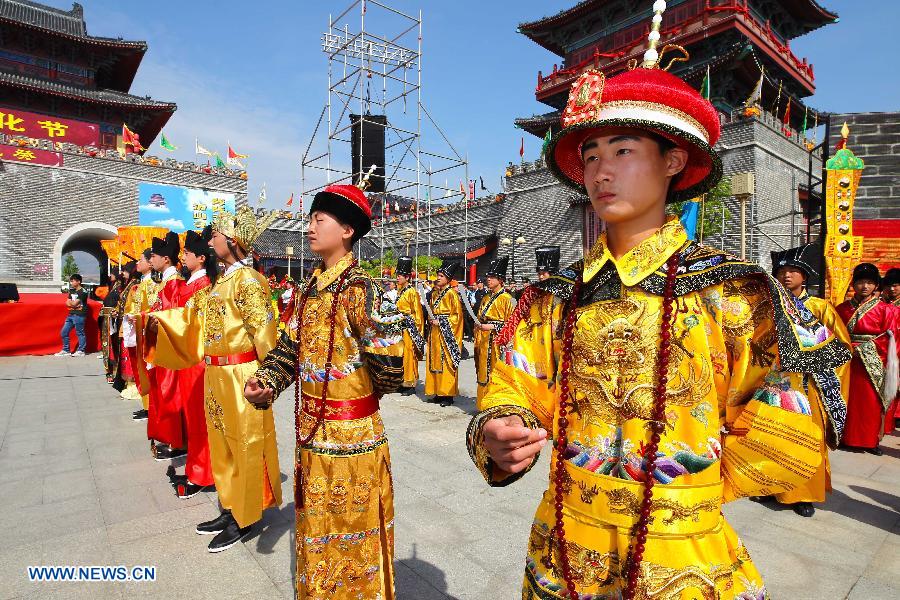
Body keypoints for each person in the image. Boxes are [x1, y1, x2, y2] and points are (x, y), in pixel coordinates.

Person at [465, 30, 850, 599]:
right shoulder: (554, 296)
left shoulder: (733, 292)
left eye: (622, 151)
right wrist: (500, 426)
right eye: (590, 156)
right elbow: (514, 383)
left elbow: (799, 405)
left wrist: (692, 487)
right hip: (561, 548)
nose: (600, 172)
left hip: (679, 557)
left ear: (674, 160)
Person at [245, 182, 404, 599]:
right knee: (317, 526)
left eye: (320, 220)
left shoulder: (361, 290)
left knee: (354, 531)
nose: (310, 228)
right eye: (311, 220)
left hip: (354, 438)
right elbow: (289, 348)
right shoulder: (308, 291)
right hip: (313, 434)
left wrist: (357, 400)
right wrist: (267, 382)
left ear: (347, 230)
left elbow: (391, 364)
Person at [144, 206, 282, 552]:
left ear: (233, 240)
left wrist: (269, 379)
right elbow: (191, 318)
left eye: (217, 234)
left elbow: (264, 333)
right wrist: (157, 323)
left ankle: (246, 515)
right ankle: (230, 505)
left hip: (242, 374)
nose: (212, 239)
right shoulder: (221, 282)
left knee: (245, 443)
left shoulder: (249, 281)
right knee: (222, 443)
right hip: (216, 373)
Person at [762, 245, 851, 516]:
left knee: (807, 438)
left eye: (793, 271)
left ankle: (803, 494)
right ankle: (772, 486)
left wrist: (825, 379)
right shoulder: (769, 305)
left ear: (805, 275)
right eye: (781, 271)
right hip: (776, 381)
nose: (786, 276)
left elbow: (841, 349)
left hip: (809, 384)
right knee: (775, 435)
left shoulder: (819, 308)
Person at [169, 226, 217, 498]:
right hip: (186, 358)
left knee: (201, 420)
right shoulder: (190, 285)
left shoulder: (204, 287)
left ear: (201, 258)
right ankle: (197, 467)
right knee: (192, 417)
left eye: (187, 253)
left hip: (198, 359)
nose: (183, 257)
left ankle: (203, 472)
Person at [836, 263, 899, 455]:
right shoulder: (842, 308)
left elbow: (891, 337)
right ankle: (845, 438)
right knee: (847, 400)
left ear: (876, 286)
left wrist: (865, 349)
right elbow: (834, 334)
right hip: (846, 361)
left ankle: (870, 441)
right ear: (853, 284)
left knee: (871, 403)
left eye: (870, 283)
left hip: (872, 362)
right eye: (861, 282)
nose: (865, 286)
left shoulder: (886, 310)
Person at [146, 232, 186, 461]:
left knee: (172, 394)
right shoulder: (166, 283)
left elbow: (171, 317)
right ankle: (172, 438)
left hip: (171, 348)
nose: (152, 260)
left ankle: (177, 440)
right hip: (162, 345)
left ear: (167, 259)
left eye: (155, 256)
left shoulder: (174, 284)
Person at [474, 256, 515, 407]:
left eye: (492, 277)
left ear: (501, 280)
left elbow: (514, 322)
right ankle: (483, 404)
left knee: (497, 372)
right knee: (484, 371)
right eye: (488, 277)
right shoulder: (485, 297)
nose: (488, 280)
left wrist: (492, 327)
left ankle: (497, 405)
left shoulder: (509, 298)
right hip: (484, 340)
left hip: (498, 342)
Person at [425, 261, 464, 407]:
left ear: (448, 279)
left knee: (446, 362)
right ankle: (438, 392)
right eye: (438, 275)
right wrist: (431, 318)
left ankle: (447, 394)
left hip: (447, 334)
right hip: (435, 333)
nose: (438, 278)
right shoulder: (435, 293)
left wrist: (441, 321)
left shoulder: (452, 294)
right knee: (435, 361)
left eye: (441, 276)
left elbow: (457, 317)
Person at [395, 255, 425, 395]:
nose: (398, 277)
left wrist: (407, 319)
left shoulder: (412, 292)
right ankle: (402, 381)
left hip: (409, 329)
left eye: (400, 275)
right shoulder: (400, 291)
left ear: (407, 277)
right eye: (397, 274)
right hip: (400, 328)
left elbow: (418, 314)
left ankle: (411, 383)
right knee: (401, 355)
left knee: (409, 355)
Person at [56, 273, 88, 356]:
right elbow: (67, 302)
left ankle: (81, 350)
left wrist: (72, 303)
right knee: (64, 332)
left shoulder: (83, 292)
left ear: (78, 282)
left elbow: (74, 303)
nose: (71, 283)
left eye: (72, 281)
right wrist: (72, 303)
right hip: (71, 314)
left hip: (80, 315)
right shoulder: (72, 290)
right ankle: (66, 350)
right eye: (71, 281)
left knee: (80, 333)